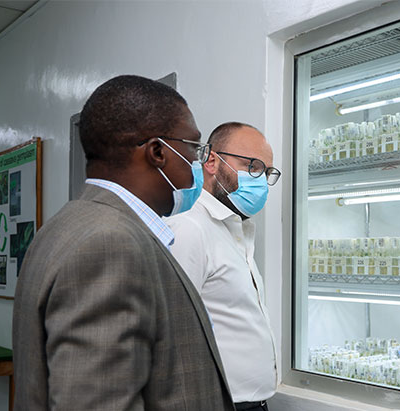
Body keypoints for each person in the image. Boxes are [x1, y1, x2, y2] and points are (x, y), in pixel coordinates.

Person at [13, 75, 236, 410]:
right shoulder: (110, 245)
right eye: (193, 148)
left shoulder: (67, 226)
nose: (197, 165)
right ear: (158, 152)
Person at [167, 122, 281, 411]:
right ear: (212, 161)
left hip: (251, 404)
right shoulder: (189, 230)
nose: (260, 180)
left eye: (266, 172)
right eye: (251, 166)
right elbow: (169, 333)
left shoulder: (235, 231)